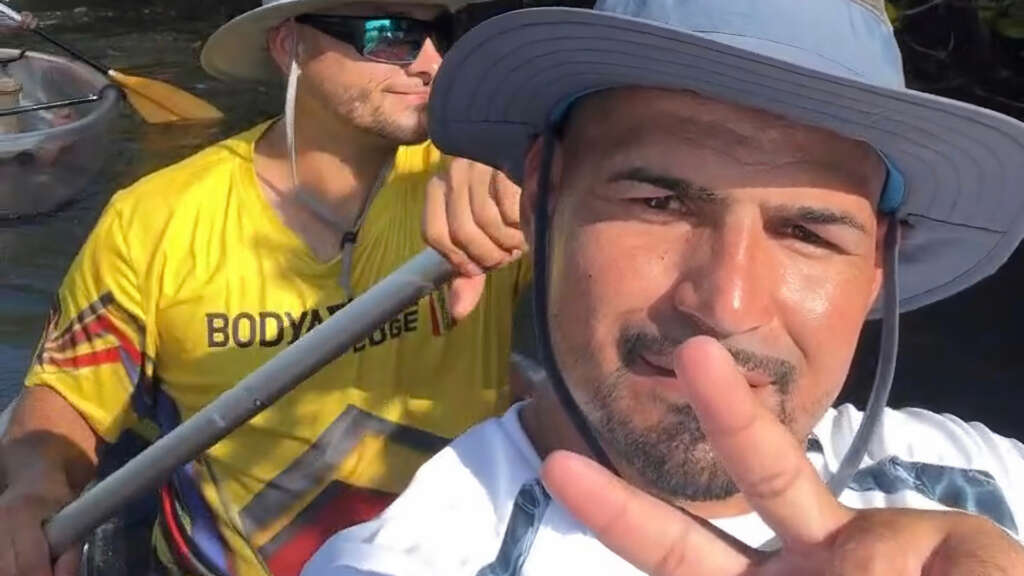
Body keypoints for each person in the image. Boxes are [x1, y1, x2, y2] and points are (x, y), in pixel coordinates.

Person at [301, 0, 1024, 574]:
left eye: (809, 233)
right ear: (543, 200)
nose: (725, 305)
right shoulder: (412, 559)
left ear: (878, 267)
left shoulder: (989, 493)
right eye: (659, 204)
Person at [0, 0, 531, 575]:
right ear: (289, 46)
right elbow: (65, 408)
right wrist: (33, 492)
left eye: (443, 34)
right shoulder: (154, 222)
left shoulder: (491, 190)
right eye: (390, 35)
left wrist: (529, 172)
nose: (431, 62)